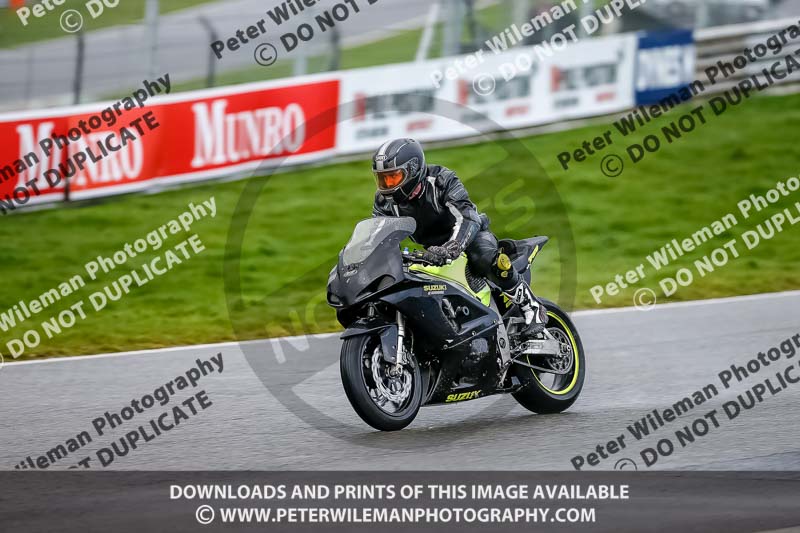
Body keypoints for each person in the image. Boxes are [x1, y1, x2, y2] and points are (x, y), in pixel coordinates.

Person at [371, 138, 546, 329]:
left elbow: (467, 217)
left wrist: (451, 248)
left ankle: (532, 307)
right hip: (433, 250)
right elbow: (379, 235)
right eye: (382, 179)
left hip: (470, 237)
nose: (387, 185)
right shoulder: (384, 202)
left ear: (413, 170)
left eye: (393, 177)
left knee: (483, 256)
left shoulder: (441, 181)